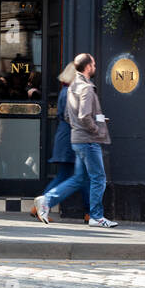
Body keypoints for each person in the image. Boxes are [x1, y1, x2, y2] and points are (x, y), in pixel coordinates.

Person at [34, 53, 118, 228]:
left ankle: (46, 200)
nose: (95, 66)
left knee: (79, 178)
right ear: (87, 67)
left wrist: (91, 122)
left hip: (77, 139)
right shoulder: (86, 88)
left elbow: (67, 115)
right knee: (99, 178)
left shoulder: (72, 86)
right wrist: (95, 128)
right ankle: (96, 216)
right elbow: (84, 115)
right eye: (93, 64)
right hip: (88, 139)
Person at [31, 61, 90, 223]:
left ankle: (89, 211)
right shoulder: (70, 92)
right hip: (70, 140)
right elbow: (72, 117)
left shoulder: (66, 91)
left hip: (67, 139)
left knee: (76, 176)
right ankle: (42, 205)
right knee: (74, 175)